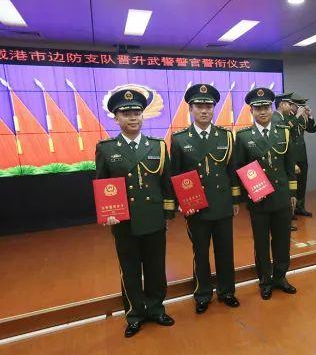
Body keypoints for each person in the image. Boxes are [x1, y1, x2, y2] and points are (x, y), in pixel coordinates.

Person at [95, 89, 176, 338]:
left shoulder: (158, 146)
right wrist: (106, 212)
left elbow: (166, 183)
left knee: (155, 267)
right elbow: (102, 184)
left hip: (153, 218)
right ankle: (134, 314)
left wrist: (168, 212)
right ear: (116, 118)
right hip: (124, 221)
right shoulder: (106, 149)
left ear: (143, 116)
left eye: (137, 113)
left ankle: (155, 308)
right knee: (129, 269)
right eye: (126, 113)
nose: (133, 117)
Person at [171, 84, 241, 314]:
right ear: (190, 108)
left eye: (209, 106)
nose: (204, 111)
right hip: (196, 208)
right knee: (200, 253)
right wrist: (182, 202)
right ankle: (202, 294)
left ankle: (227, 291)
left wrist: (235, 199)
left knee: (225, 251)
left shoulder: (225, 136)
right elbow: (177, 175)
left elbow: (231, 170)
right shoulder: (180, 139)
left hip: (221, 204)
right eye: (199, 106)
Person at [234, 87, 298, 300]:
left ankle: (281, 276)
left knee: (282, 239)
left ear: (271, 108)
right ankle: (265, 280)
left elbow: (290, 168)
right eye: (257, 108)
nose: (262, 112)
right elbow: (239, 169)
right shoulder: (243, 137)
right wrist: (246, 194)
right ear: (251, 110)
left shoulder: (284, 132)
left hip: (280, 197)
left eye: (266, 107)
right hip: (258, 199)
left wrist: (293, 193)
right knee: (261, 242)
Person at [274, 92, 298, 231]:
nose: (290, 106)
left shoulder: (283, 117)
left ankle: (286, 221)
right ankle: (285, 223)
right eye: (289, 104)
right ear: (282, 104)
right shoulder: (277, 119)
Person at [290, 93, 316, 217]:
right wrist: (299, 114)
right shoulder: (286, 118)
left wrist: (310, 116)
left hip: (302, 155)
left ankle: (300, 207)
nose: (301, 108)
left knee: (302, 183)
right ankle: (291, 210)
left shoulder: (301, 117)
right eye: (299, 106)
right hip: (291, 156)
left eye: (302, 106)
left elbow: (312, 129)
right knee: (292, 184)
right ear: (292, 105)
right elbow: (288, 130)